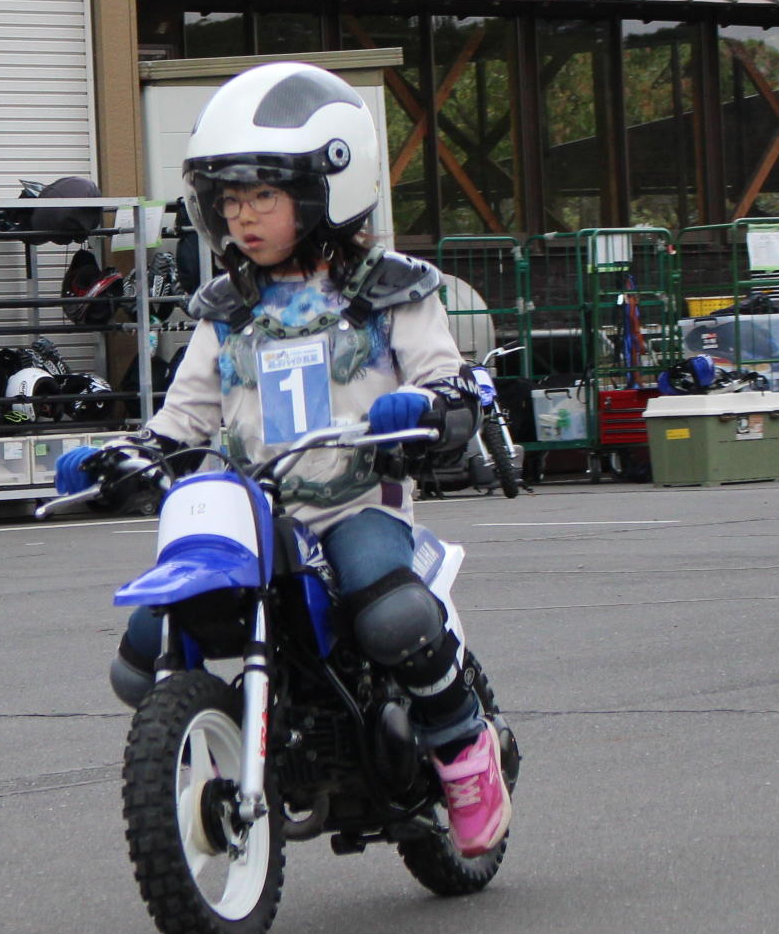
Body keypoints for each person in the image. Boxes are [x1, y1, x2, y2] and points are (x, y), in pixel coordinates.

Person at [53, 61, 512, 856]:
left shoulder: (389, 291)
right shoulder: (226, 313)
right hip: (247, 510)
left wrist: (430, 406)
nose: (244, 217)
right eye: (230, 199)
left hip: (355, 504)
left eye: (263, 195)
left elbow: (453, 376)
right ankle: (215, 751)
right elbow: (183, 419)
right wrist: (116, 456)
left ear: (330, 186)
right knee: (140, 653)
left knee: (391, 608)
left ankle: (464, 746)